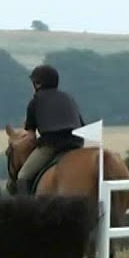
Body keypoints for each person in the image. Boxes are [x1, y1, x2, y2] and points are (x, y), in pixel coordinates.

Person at [15, 64, 85, 195]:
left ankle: (26, 212)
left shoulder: (35, 102)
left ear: (38, 84)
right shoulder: (68, 98)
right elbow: (81, 123)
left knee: (23, 176)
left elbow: (30, 137)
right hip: (76, 143)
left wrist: (17, 144)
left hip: (52, 145)